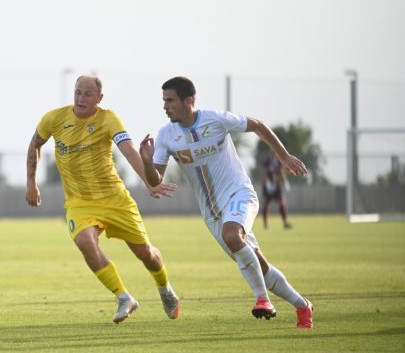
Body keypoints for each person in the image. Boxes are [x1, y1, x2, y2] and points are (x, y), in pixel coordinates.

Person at [139, 76, 313, 328]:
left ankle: (262, 299)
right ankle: (302, 305)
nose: (165, 106)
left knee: (232, 235)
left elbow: (258, 125)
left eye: (170, 100)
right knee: (259, 265)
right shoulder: (166, 135)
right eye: (163, 101)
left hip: (239, 194)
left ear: (189, 101)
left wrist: (284, 157)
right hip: (211, 213)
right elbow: (155, 179)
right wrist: (146, 161)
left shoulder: (216, 119)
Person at [25, 74, 180, 324]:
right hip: (79, 203)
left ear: (99, 98)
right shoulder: (54, 119)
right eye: (77, 92)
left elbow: (128, 150)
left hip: (115, 199)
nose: (81, 98)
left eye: (87, 94)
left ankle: (165, 288)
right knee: (85, 242)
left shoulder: (108, 119)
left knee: (145, 253)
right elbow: (34, 144)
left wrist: (150, 183)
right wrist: (31, 183)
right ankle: (123, 297)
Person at [262, 154, 292, 229]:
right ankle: (266, 224)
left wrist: (285, 182)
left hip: (277, 185)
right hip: (268, 185)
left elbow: (281, 172)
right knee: (266, 204)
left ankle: (285, 222)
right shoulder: (268, 160)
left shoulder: (279, 161)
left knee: (282, 202)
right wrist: (267, 184)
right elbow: (265, 173)